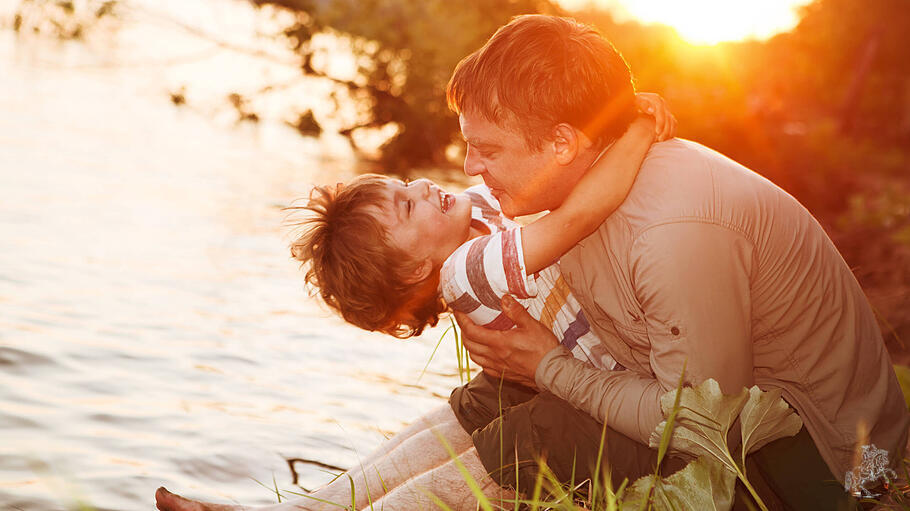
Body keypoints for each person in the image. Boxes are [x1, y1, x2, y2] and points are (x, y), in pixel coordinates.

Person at [156, 13, 909, 511]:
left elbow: (703, 426)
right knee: (496, 396)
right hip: (737, 417)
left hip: (838, 472)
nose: (468, 169)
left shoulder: (671, 232)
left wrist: (552, 368)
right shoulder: (574, 189)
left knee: (539, 427)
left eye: (487, 149)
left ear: (561, 144)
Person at [155, 97, 674, 511]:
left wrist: (600, 118)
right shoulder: (467, 270)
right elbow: (577, 217)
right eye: (408, 205)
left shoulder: (478, 209)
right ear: (415, 270)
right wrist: (638, 129)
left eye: (405, 186)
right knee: (511, 437)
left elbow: (550, 167)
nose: (424, 185)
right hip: (613, 395)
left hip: (607, 377)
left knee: (477, 405)